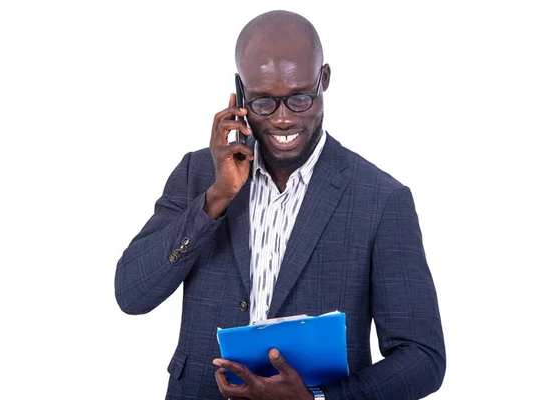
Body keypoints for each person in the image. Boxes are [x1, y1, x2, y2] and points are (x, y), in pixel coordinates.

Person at [114, 9, 446, 400]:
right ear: (239, 91)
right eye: (264, 103)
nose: (284, 120)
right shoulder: (197, 175)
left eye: (300, 99)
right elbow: (132, 294)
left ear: (324, 79)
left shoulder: (381, 200)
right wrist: (216, 198)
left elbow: (423, 358)